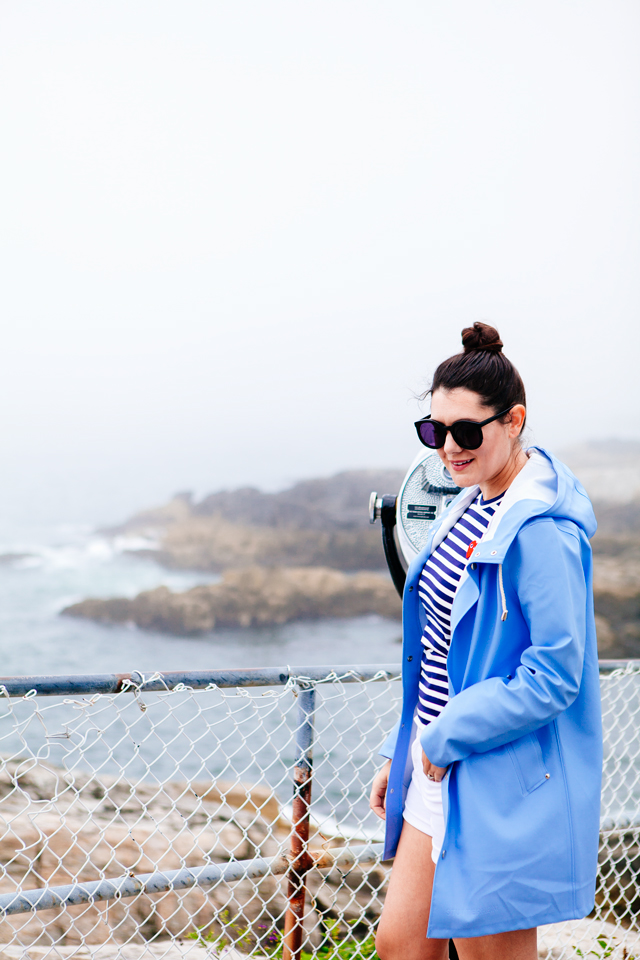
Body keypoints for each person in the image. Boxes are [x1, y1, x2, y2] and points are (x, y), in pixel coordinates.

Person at [370, 323, 602, 960]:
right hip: (438, 762)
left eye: (466, 432)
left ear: (514, 420)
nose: (449, 447)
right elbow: (442, 648)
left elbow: (554, 674)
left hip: (498, 771)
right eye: (434, 431)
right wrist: (409, 747)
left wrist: (446, 736)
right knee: (400, 947)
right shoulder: (468, 507)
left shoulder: (543, 531)